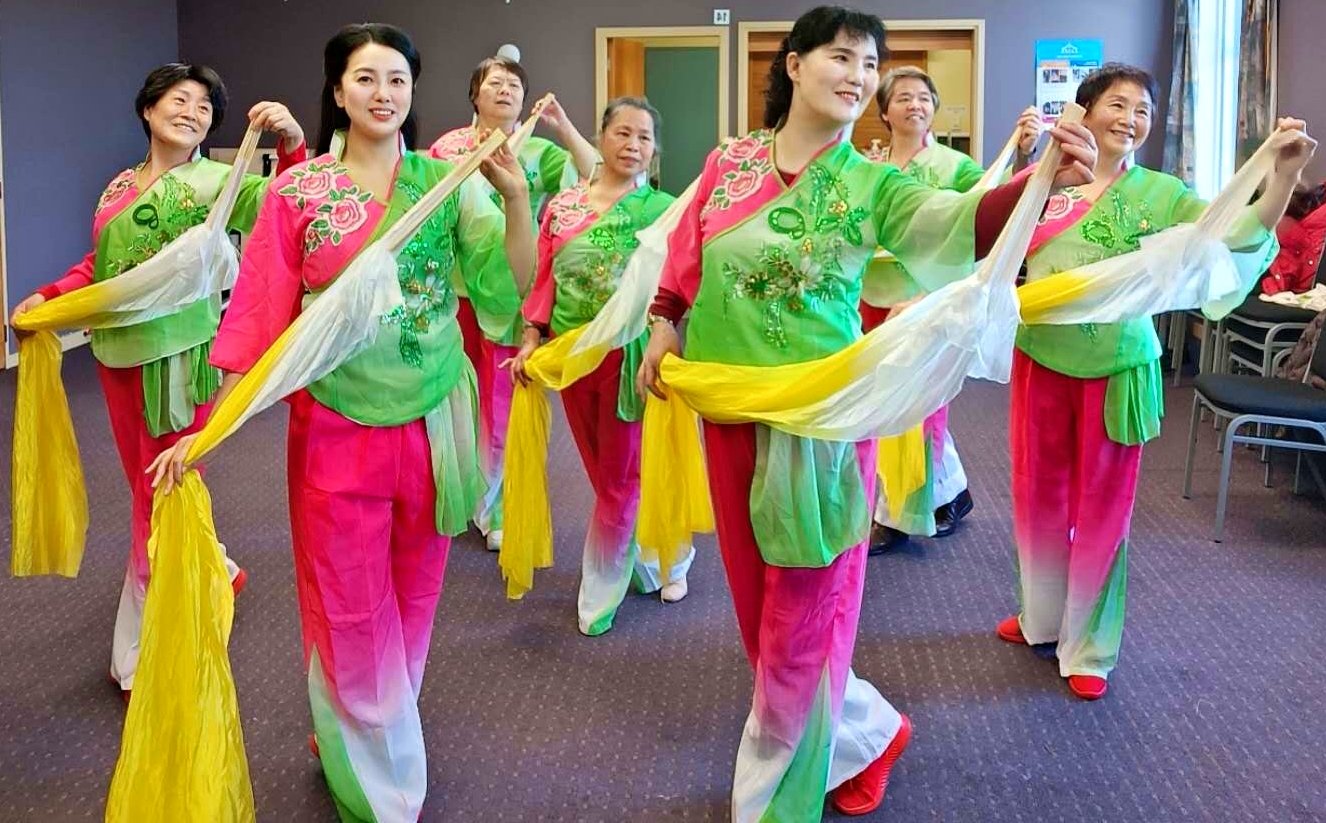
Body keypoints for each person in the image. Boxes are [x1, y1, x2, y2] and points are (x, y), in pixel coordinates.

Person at [636, 7, 1096, 818]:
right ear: (793, 65)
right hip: (727, 406)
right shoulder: (729, 163)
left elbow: (954, 228)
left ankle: (778, 786)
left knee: (805, 603)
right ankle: (867, 732)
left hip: (825, 419)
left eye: (870, 64)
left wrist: (1038, 182)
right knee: (755, 599)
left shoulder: (875, 182)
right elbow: (686, 256)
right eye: (841, 57)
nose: (858, 75)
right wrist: (663, 322)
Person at [150, 23, 535, 820]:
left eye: (397, 79)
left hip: (435, 424)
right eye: (365, 79)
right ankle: (376, 771)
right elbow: (258, 325)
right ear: (336, 91)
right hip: (334, 431)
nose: (383, 93)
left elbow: (512, 290)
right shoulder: (298, 194)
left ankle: (376, 728)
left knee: (417, 596)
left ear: (413, 91)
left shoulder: (449, 179)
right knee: (349, 604)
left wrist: (518, 198)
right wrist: (208, 430)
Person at [997, 63, 1310, 700]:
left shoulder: (1163, 194)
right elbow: (994, 245)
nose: (1130, 119)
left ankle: (1089, 645)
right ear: (1083, 111)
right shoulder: (1044, 186)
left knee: (1104, 510)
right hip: (1039, 359)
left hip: (1118, 368)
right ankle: (1044, 618)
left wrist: (1280, 176)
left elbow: (1236, 235)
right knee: (1038, 499)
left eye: (1142, 110)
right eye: (1117, 104)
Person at [8, 62, 305, 701]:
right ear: (148, 109)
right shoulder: (119, 186)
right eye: (179, 99)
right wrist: (49, 295)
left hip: (179, 359)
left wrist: (289, 146)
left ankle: (149, 640)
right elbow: (103, 266)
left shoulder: (218, 182)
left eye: (204, 107)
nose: (192, 112)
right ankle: (212, 567)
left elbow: (287, 212)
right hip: (116, 358)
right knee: (151, 486)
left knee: (160, 491)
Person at [508, 96, 691, 636]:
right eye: (623, 134)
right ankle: (658, 558)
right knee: (605, 472)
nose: (633, 146)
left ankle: (602, 588)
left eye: (645, 138)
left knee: (622, 475)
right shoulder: (561, 207)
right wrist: (531, 337)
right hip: (571, 355)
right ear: (601, 136)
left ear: (655, 151)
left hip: (631, 356)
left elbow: (680, 283)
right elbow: (543, 279)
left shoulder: (663, 211)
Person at [429, 53, 597, 552]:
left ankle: (493, 505)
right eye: (494, 83)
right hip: (453, 292)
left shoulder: (537, 151)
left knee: (501, 408)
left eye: (514, 86)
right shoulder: (448, 148)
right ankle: (455, 491)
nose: (505, 91)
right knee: (453, 396)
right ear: (474, 94)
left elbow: (593, 175)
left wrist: (563, 126)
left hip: (513, 296)